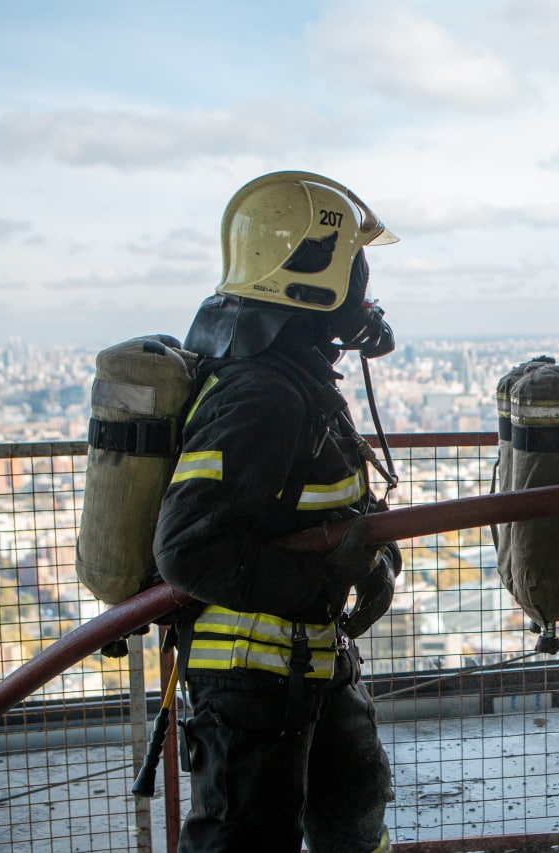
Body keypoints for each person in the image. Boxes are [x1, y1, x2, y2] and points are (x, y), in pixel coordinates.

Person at [154, 170, 402, 853]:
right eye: (357, 267)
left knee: (354, 810)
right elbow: (188, 546)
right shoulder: (262, 393)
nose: (366, 288)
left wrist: (374, 558)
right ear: (313, 275)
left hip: (309, 663)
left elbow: (324, 501)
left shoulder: (294, 379)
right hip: (249, 684)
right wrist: (325, 582)